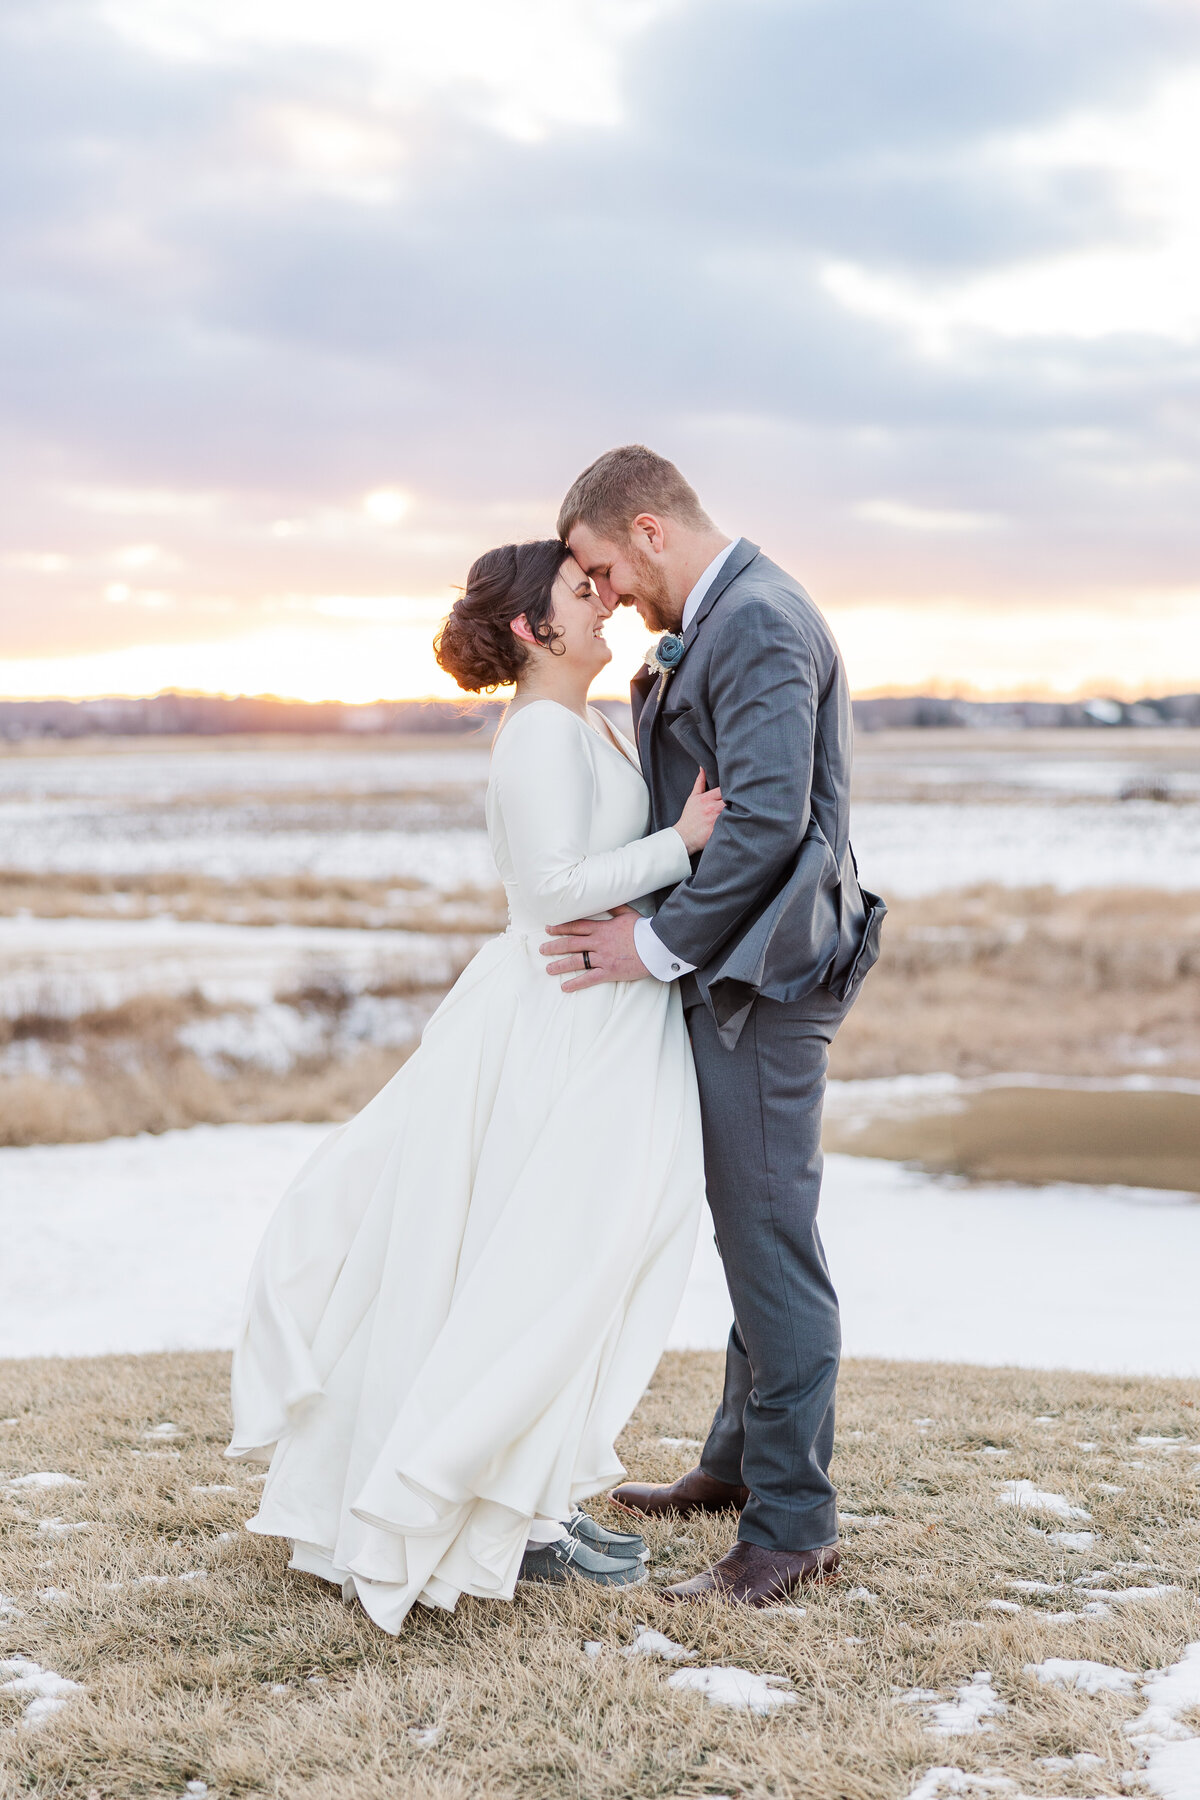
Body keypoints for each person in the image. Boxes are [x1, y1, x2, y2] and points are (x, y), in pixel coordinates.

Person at [225, 538, 723, 1633]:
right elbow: (551, 893)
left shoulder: (580, 721)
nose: (605, 604)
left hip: (602, 1017)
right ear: (530, 631)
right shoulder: (538, 736)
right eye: (579, 593)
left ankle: (531, 1493)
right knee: (543, 1258)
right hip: (557, 1017)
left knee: (581, 1257)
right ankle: (492, 1503)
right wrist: (681, 845)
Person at [543, 446, 885, 1608]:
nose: (606, 594)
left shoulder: (758, 621)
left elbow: (769, 827)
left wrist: (650, 945)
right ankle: (739, 1469)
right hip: (739, 968)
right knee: (750, 1225)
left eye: (599, 565)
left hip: (766, 977)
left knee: (771, 1234)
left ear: (647, 528)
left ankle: (794, 1527)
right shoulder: (725, 614)